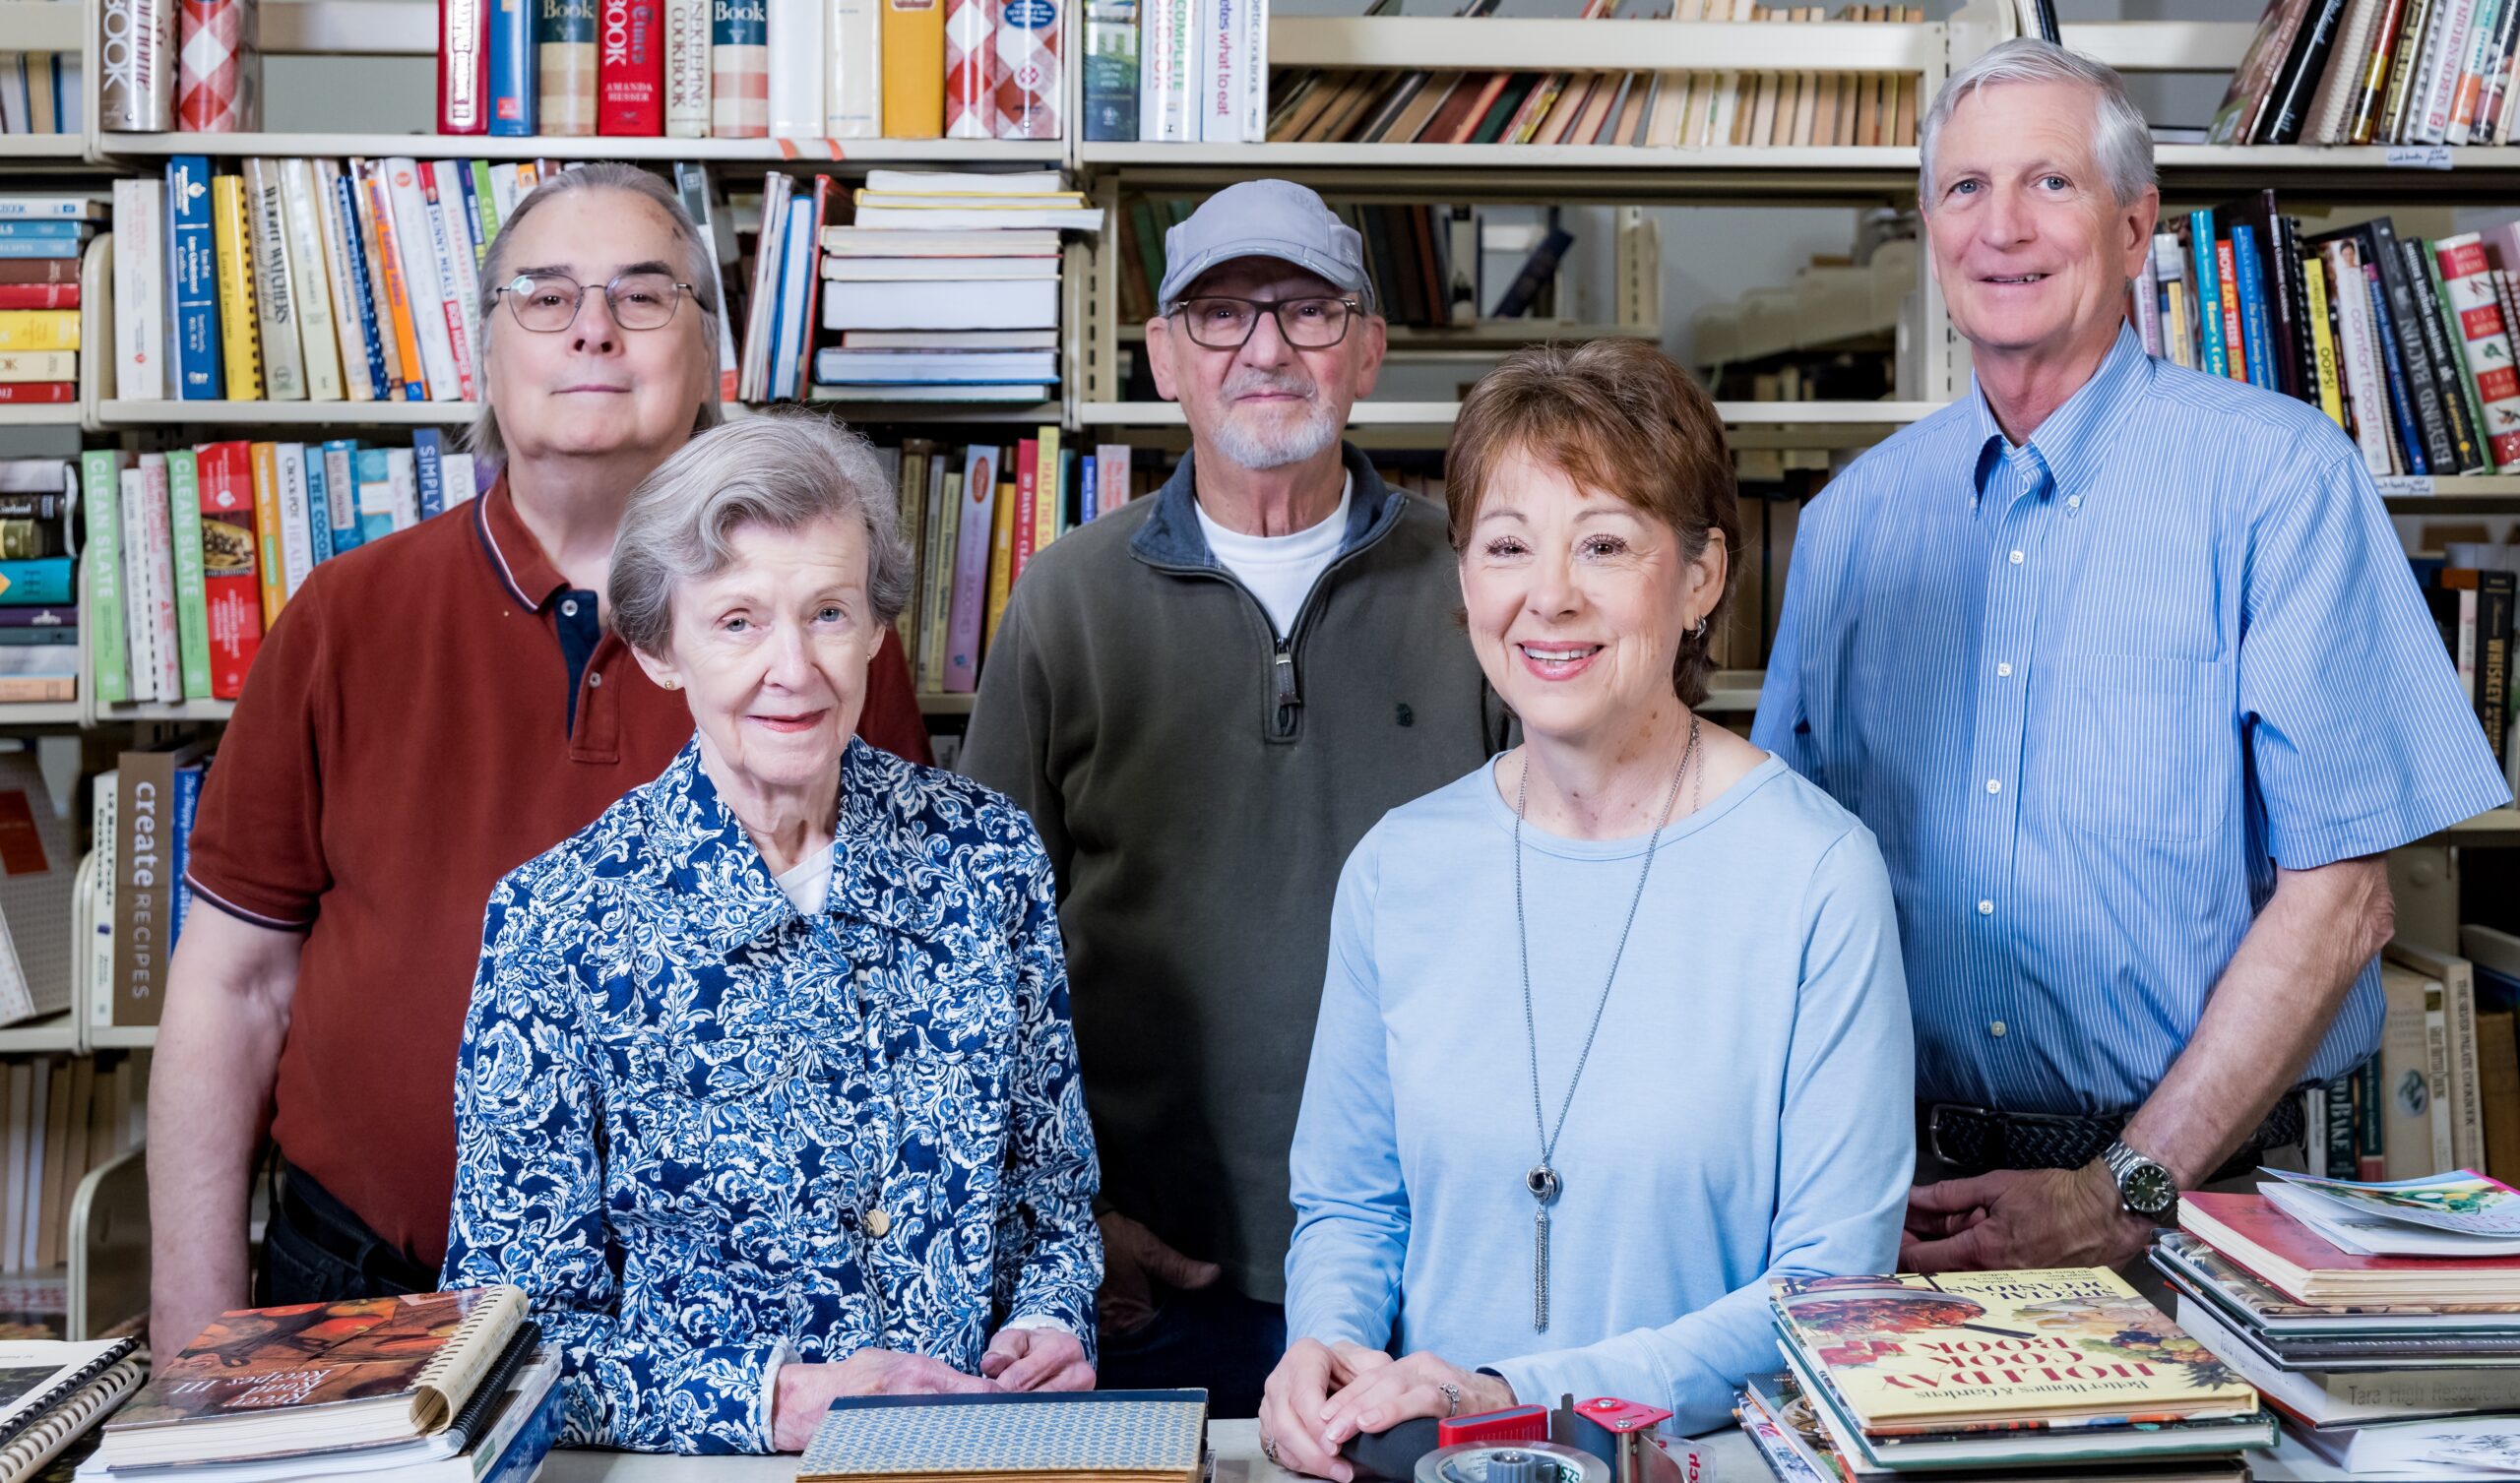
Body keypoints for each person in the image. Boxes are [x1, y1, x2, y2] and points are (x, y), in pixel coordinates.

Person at [1751, 39, 2514, 1275]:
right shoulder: (1853, 521)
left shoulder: (2278, 481)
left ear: (2132, 227)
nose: (2001, 227)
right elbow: (1774, 872)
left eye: (2049, 183)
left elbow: (2340, 905)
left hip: (2195, 1198)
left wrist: (2124, 1189)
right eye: (1963, 189)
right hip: (1894, 1197)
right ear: (1930, 229)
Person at [148, 163, 932, 1360]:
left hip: (719, 1328)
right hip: (356, 1288)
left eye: (643, 294)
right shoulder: (343, 615)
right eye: (546, 295)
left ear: (710, 357)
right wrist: (190, 1339)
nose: (592, 329)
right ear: (484, 355)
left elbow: (897, 1006)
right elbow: (230, 988)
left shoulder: (819, 642)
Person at [1257, 340, 1913, 1479]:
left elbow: (1830, 1289)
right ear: (1466, 580)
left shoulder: (1816, 872)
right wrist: (1332, 1352)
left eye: (1604, 543)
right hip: (1427, 1461)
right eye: (1507, 546)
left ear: (1702, 576)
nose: (1547, 594)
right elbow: (1351, 1208)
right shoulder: (1395, 870)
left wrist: (1517, 1394)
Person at [441, 412, 1102, 1454]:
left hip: (976, 1457)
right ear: (662, 648)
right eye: (738, 621)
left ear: (879, 629)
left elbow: (1052, 1206)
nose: (792, 667)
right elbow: (507, 1347)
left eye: (828, 612)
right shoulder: (556, 923)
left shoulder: (988, 858)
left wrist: (1047, 1321)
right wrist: (780, 1399)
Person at [962, 179, 1510, 1417]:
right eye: (1217, 314)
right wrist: (1066, 1229)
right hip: (1145, 1274)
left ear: (1368, 348)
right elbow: (976, 962)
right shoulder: (1065, 602)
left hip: (1424, 1269)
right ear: (1163, 358)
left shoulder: (1479, 587)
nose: (1265, 348)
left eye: (1310, 311)